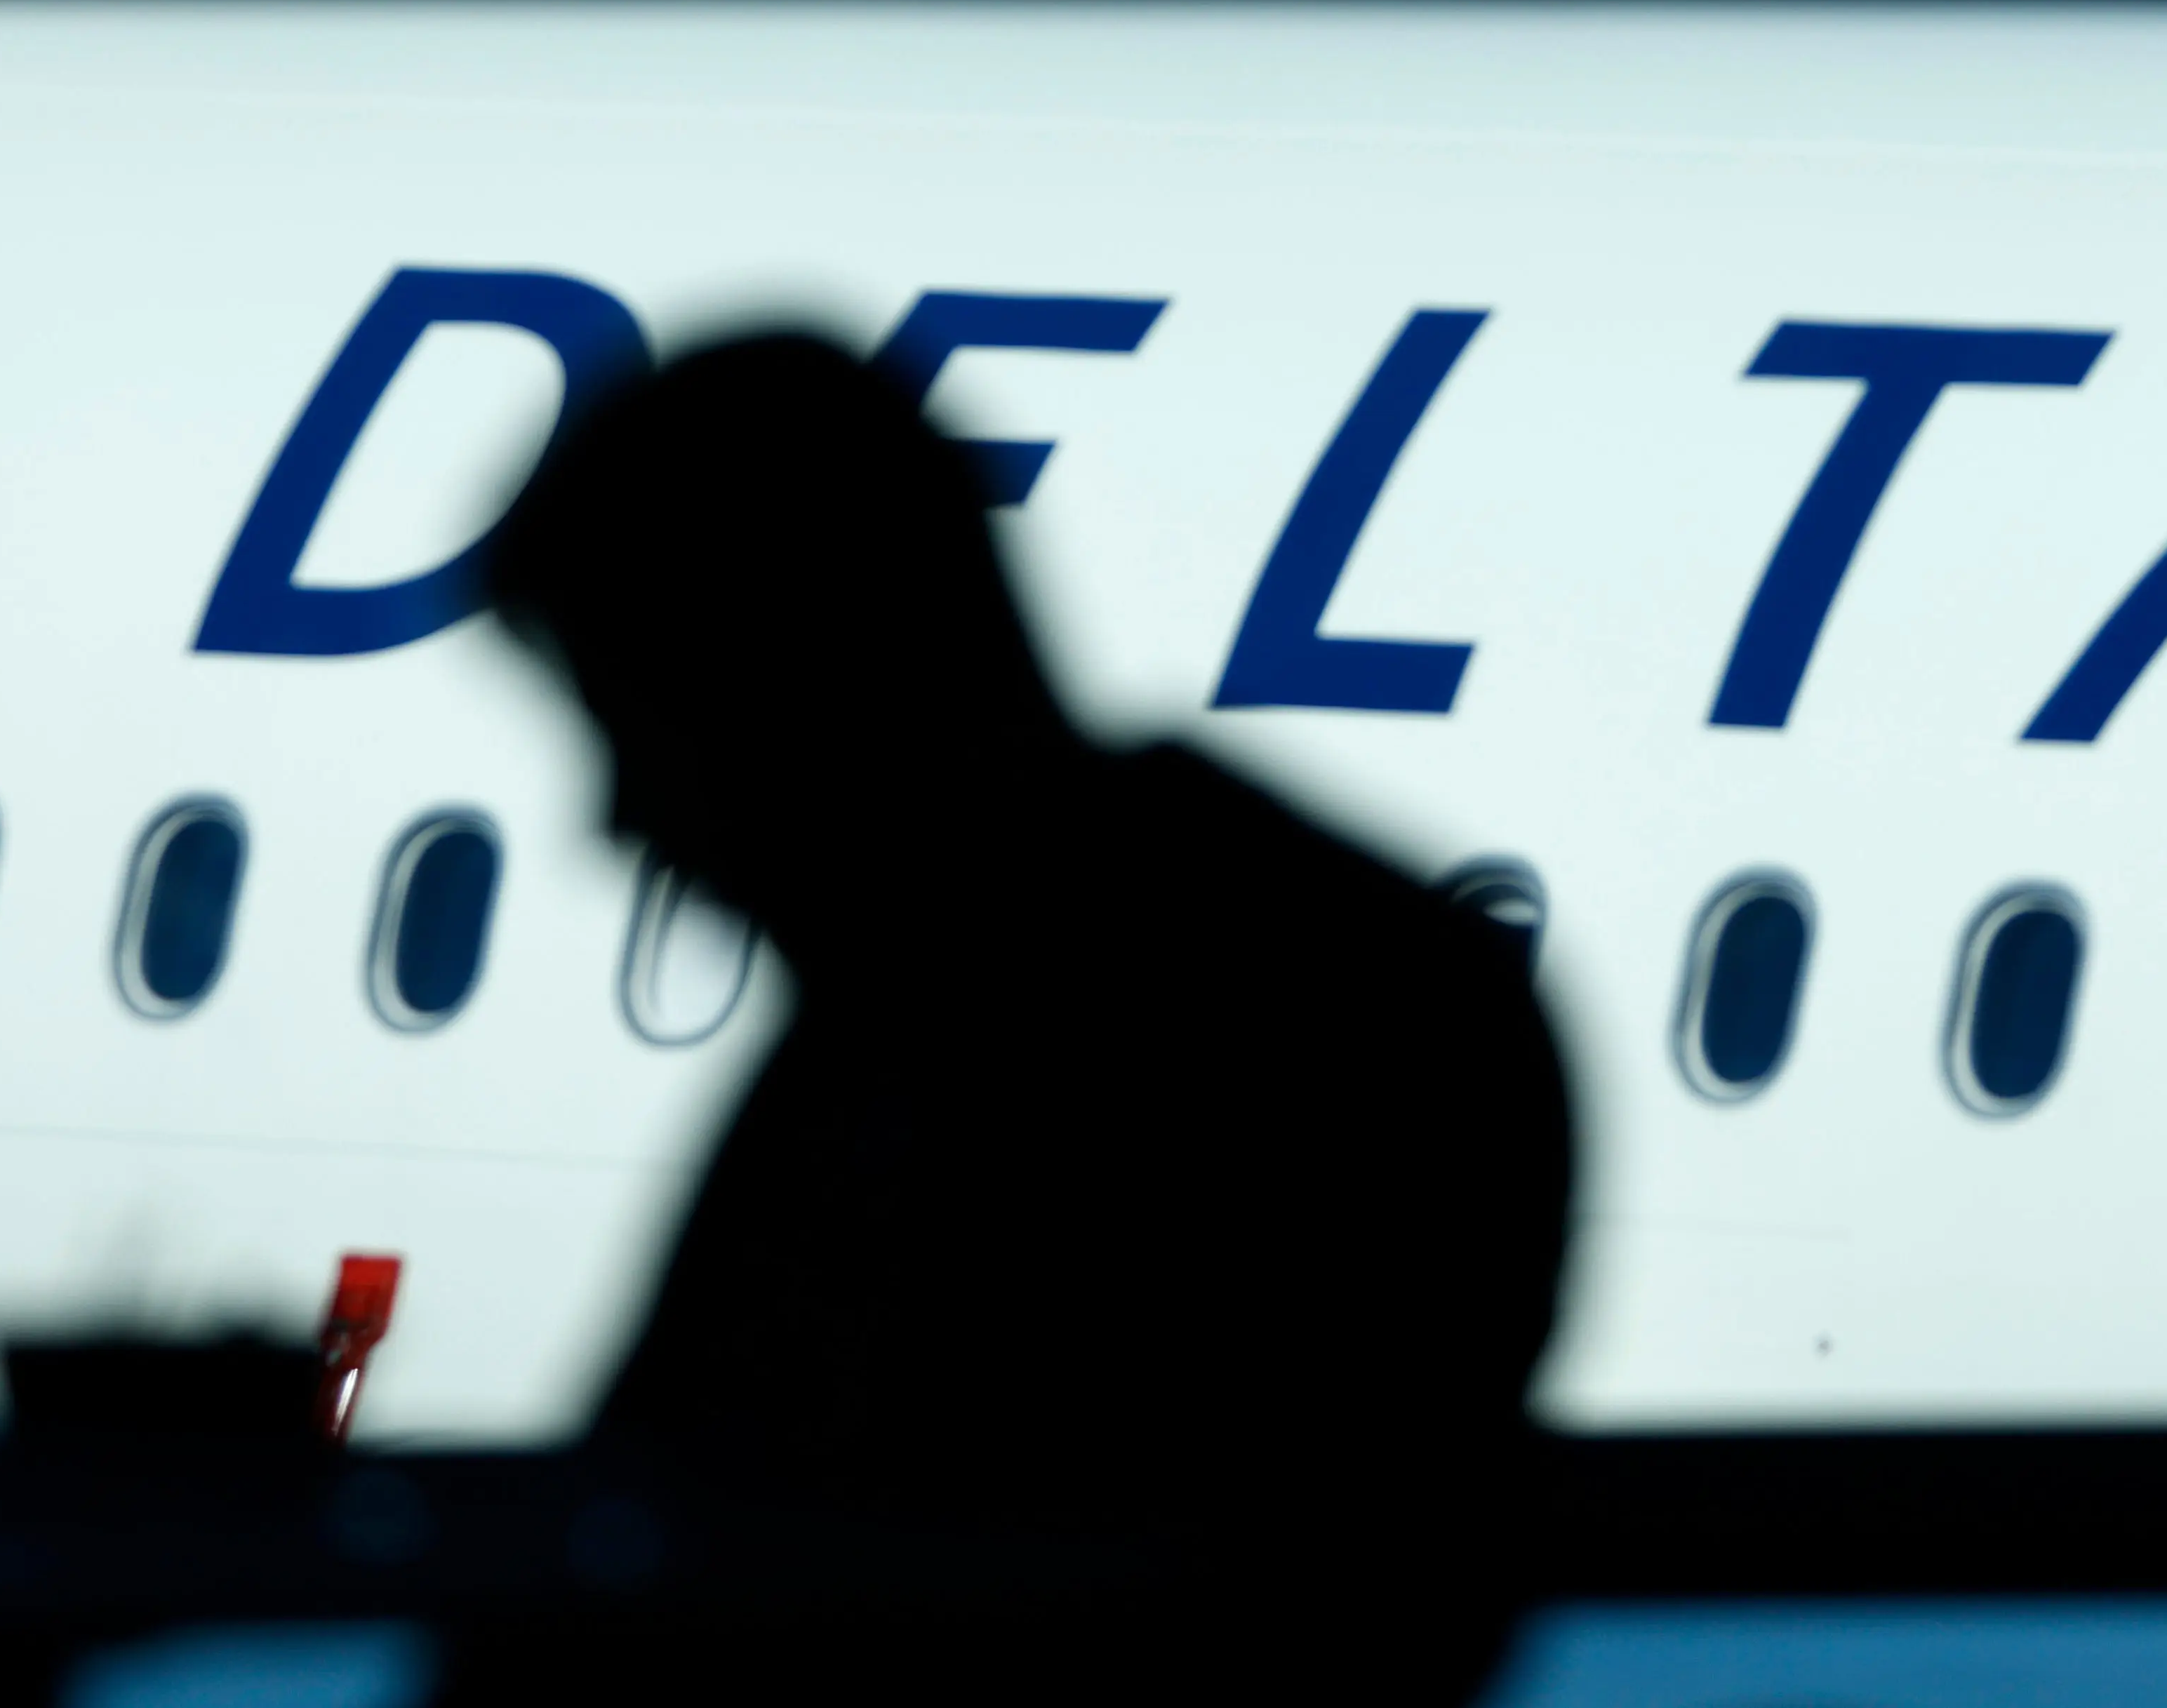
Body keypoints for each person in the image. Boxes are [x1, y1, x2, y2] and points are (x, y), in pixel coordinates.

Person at [481, 335, 1573, 1686]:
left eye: (640, 730)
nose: (620, 824)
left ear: (792, 694)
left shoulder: (925, 1071)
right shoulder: (1381, 992)